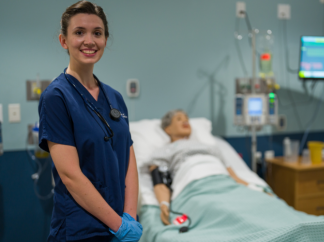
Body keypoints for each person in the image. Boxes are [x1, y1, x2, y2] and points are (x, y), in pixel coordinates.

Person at [38, 1, 142, 241]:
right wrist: (118, 225)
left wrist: (130, 217)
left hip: (119, 222)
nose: (89, 41)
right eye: (79, 32)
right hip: (80, 229)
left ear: (105, 39)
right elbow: (71, 176)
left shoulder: (114, 97)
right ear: (64, 41)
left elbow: (129, 158)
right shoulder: (56, 97)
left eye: (97, 33)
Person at [148, 110, 269, 226]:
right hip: (194, 184)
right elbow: (160, 182)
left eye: (187, 119)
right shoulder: (163, 151)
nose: (185, 121)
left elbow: (234, 177)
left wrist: (255, 188)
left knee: (257, 206)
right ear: (168, 129)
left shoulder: (210, 147)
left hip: (222, 180)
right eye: (179, 119)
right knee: (216, 210)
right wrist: (164, 204)